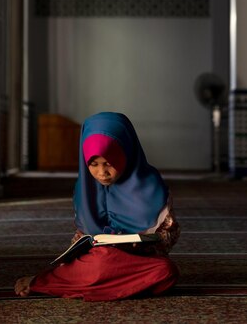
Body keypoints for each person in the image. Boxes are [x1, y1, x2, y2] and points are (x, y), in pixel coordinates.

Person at [14, 112, 180, 301]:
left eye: (109, 163)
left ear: (126, 152)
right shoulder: (84, 188)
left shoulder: (151, 185)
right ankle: (57, 280)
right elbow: (81, 236)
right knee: (101, 260)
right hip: (99, 259)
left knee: (166, 271)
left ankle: (74, 283)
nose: (102, 173)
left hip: (138, 260)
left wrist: (144, 243)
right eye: (93, 164)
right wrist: (73, 254)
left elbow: (170, 233)